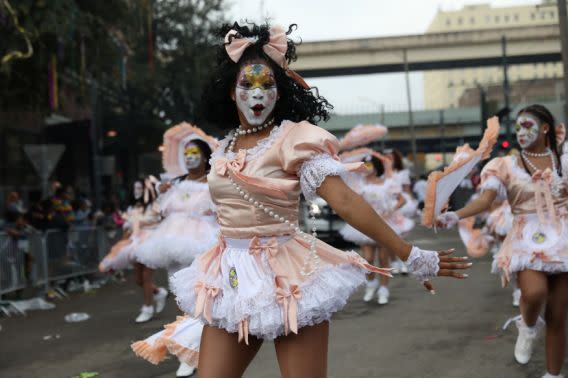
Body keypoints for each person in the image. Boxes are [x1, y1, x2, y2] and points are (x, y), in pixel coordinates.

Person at [166, 22, 469, 378]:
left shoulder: (294, 139)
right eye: (247, 84)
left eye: (268, 84)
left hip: (289, 278)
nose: (258, 94)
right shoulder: (224, 145)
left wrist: (410, 254)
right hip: (229, 279)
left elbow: (346, 201)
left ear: (281, 93)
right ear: (231, 92)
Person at [437, 104, 568, 378]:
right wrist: (454, 216)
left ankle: (553, 375)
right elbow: (485, 201)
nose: (521, 132)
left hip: (563, 238)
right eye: (518, 126)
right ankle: (528, 326)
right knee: (534, 293)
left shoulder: (563, 163)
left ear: (545, 128)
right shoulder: (506, 165)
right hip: (526, 238)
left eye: (528, 126)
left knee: (558, 314)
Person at [132, 123, 219, 377]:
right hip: (171, 242)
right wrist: (161, 193)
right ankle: (188, 351)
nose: (190, 159)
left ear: (205, 158)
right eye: (187, 155)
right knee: (181, 296)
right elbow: (160, 211)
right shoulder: (175, 185)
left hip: (202, 243)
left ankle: (197, 351)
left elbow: (222, 212)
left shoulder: (213, 183)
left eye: (195, 154)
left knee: (200, 299)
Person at [338, 150, 410, 304]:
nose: (367, 168)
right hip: (366, 224)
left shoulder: (388, 183)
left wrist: (390, 210)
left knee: (384, 259)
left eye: (370, 165)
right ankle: (371, 284)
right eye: (365, 165)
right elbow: (352, 202)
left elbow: (402, 200)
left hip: (384, 223)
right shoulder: (359, 185)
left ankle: (384, 290)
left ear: (377, 167)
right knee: (368, 258)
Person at [99, 178, 167, 323]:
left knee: (147, 277)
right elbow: (127, 229)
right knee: (139, 280)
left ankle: (147, 308)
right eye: (136, 188)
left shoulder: (154, 205)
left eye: (141, 188)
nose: (138, 191)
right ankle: (159, 292)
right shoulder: (131, 208)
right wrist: (121, 247)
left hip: (152, 242)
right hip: (135, 244)